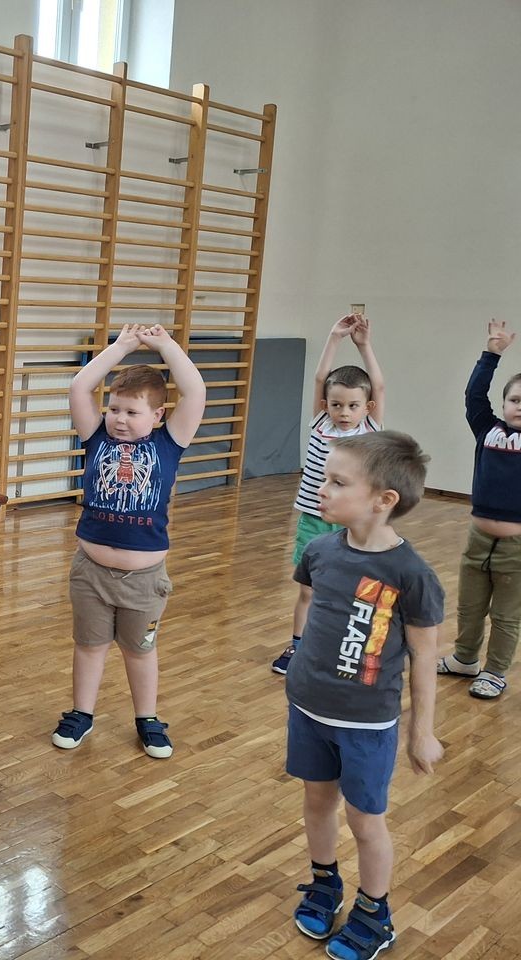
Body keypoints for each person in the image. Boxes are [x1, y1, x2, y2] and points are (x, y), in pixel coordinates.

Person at [285, 431, 443, 960]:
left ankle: (376, 914)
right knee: (316, 800)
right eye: (324, 478)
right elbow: (312, 616)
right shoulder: (319, 550)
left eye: (337, 482)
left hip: (366, 724)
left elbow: (424, 655)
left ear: (383, 500)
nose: (321, 489)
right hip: (308, 708)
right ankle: (324, 881)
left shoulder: (410, 574)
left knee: (364, 820)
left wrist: (422, 732)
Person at [51, 323, 205, 759]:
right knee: (89, 647)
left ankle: (147, 719)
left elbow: (195, 392)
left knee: (140, 652)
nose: (119, 419)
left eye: (132, 412)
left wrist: (166, 345)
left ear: (157, 416)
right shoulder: (96, 438)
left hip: (144, 580)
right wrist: (120, 347)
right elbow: (80, 387)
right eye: (114, 409)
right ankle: (81, 713)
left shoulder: (170, 443)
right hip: (91, 573)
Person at [273, 314, 384, 674]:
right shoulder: (321, 423)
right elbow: (321, 378)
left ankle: (344, 646)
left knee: (350, 589)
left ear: (366, 408)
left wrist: (364, 345)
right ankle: (297, 646)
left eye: (352, 406)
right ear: (326, 405)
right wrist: (334, 338)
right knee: (308, 590)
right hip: (313, 519)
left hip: (351, 524)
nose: (344, 412)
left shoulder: (369, 430)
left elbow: (379, 386)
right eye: (336, 404)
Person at [437, 319, 521, 699]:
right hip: (478, 539)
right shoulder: (488, 429)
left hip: (515, 548)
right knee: (469, 606)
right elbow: (474, 395)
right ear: (504, 404)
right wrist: (492, 354)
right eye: (515, 399)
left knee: (505, 615)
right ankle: (465, 658)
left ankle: (495, 671)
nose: (520, 406)